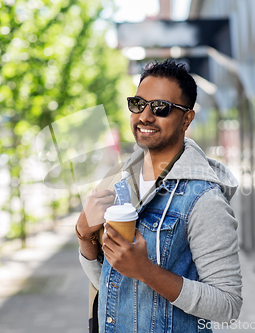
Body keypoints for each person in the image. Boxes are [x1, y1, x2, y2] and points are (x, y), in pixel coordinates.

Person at [76, 59, 242, 333]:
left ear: (186, 119)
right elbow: (110, 281)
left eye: (160, 108)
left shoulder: (204, 199)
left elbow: (228, 305)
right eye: (138, 104)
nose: (145, 117)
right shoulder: (118, 181)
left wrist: (146, 270)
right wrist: (84, 235)